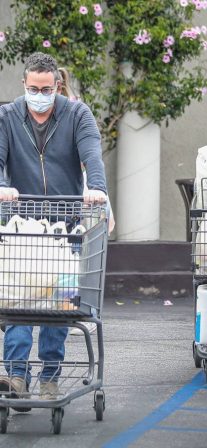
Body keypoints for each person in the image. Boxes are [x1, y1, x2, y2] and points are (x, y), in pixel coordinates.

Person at [0, 52, 107, 406]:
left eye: (46, 89)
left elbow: (92, 155)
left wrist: (97, 190)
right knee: (18, 301)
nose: (40, 95)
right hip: (23, 227)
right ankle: (16, 375)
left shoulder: (77, 114)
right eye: (33, 88)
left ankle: (49, 377)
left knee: (58, 305)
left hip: (66, 227)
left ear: (57, 85)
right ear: (24, 85)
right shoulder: (7, 116)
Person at [56, 66, 115, 335]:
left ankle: (73, 307)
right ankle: (67, 307)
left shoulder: (73, 113)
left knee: (74, 258)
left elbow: (89, 157)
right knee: (70, 259)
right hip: (69, 196)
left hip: (79, 194)